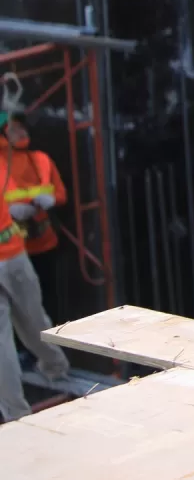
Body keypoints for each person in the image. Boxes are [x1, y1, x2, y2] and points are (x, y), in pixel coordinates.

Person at [0, 128, 71, 422]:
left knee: (3, 341)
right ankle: (55, 366)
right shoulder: (7, 155)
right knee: (33, 318)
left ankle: (16, 413)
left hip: (15, 250)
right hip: (12, 251)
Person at [2, 112, 66, 285]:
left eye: (22, 127)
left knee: (48, 300)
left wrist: (52, 200)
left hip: (44, 244)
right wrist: (8, 211)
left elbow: (61, 195)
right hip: (10, 252)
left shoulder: (42, 159)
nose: (21, 132)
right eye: (14, 129)